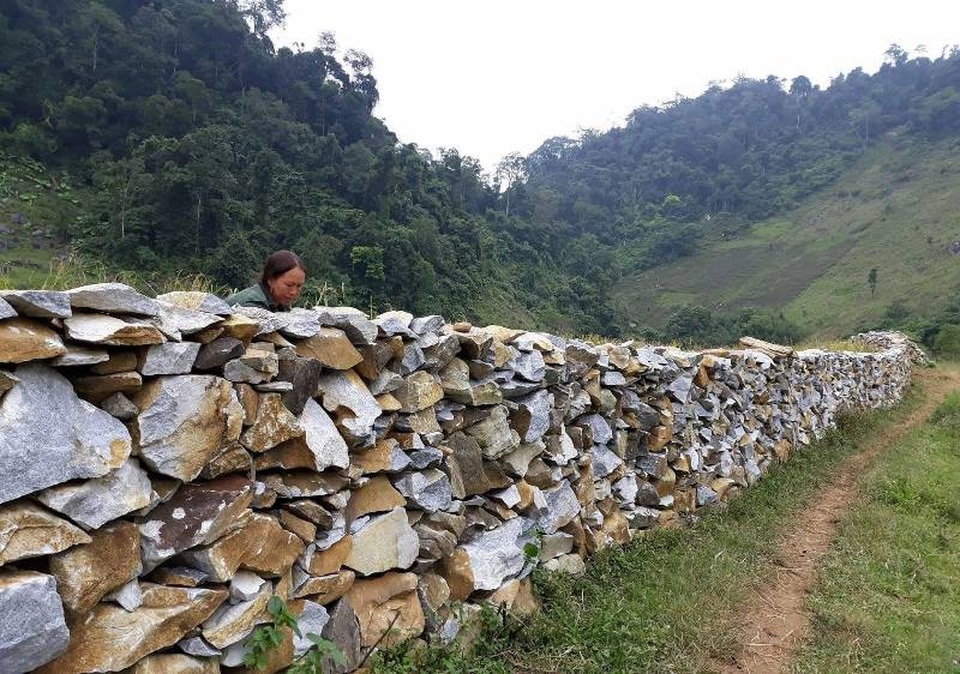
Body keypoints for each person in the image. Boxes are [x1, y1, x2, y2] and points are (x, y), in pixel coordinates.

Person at [225, 250, 306, 312]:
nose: (294, 292)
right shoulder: (251, 305)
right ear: (270, 279)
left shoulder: (279, 304)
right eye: (289, 285)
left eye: (299, 286)